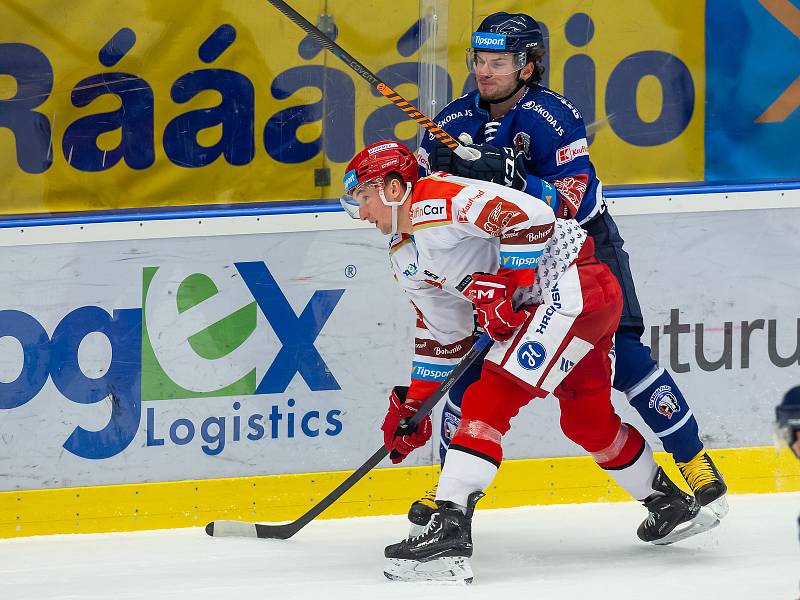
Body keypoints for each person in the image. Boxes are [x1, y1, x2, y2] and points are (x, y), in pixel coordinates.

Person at [340, 140, 717, 583]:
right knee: (586, 420)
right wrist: (414, 406)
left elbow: (534, 216)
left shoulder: (436, 197)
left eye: (364, 198)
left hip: (573, 286)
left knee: (488, 401)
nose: (362, 213)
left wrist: (509, 283)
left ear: (393, 187)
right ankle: (667, 502)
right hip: (569, 304)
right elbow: (446, 336)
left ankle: (451, 529)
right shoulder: (404, 255)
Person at [411, 11, 728, 525]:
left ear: (528, 67)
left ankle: (693, 459)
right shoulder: (450, 123)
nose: (485, 72)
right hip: (499, 258)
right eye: (479, 61)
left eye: (499, 62)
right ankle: (451, 492)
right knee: (472, 368)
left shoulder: (554, 118)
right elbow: (423, 191)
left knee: (622, 356)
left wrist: (516, 178)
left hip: (581, 250)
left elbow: (573, 203)